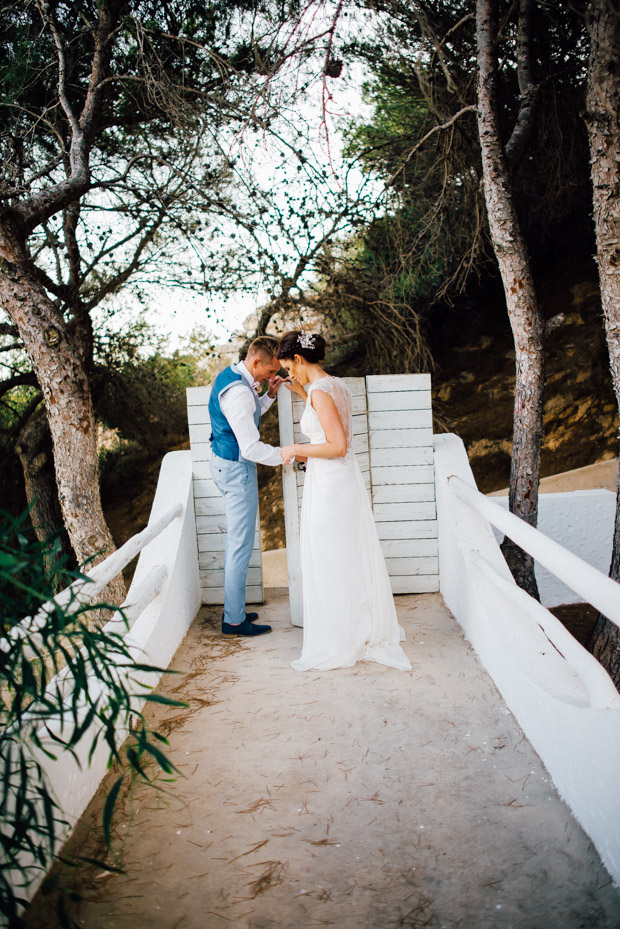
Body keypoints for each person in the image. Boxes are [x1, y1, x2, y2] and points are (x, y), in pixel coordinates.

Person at [278, 330, 411, 671]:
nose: (289, 375)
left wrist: (297, 448)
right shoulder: (334, 385)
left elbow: (336, 445)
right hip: (340, 480)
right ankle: (353, 626)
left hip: (330, 483)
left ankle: (340, 637)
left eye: (288, 368)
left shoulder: (320, 393)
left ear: (297, 359)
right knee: (343, 554)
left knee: (330, 556)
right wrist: (297, 390)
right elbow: (322, 410)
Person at [209, 337, 286, 637]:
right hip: (236, 469)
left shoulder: (232, 377)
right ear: (256, 363)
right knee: (240, 547)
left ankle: (235, 610)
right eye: (269, 372)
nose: (271, 376)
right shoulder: (240, 393)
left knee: (235, 544)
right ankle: (234, 622)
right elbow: (251, 447)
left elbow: (244, 421)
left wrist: (268, 396)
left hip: (224, 463)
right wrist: (285, 455)